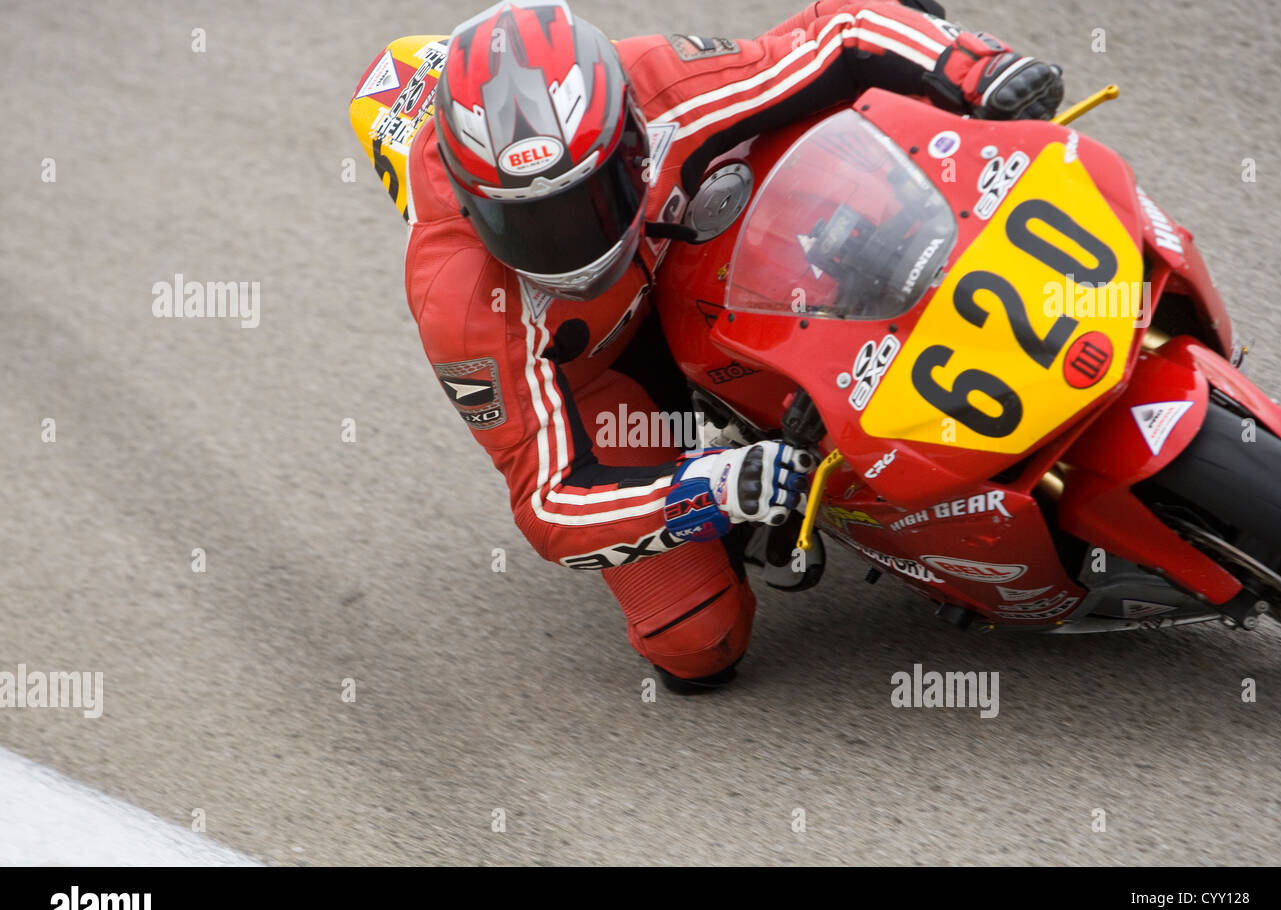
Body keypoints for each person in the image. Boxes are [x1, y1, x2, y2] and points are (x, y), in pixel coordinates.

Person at [405, 0, 1063, 691]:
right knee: (696, 642)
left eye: (592, 196)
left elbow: (839, 35)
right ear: (470, 200)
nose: (572, 240)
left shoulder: (659, 84)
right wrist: (711, 488)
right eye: (528, 223)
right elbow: (549, 501)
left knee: (889, 69)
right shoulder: (460, 305)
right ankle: (731, 465)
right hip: (602, 375)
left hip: (696, 237)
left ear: (629, 134)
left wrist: (977, 66)